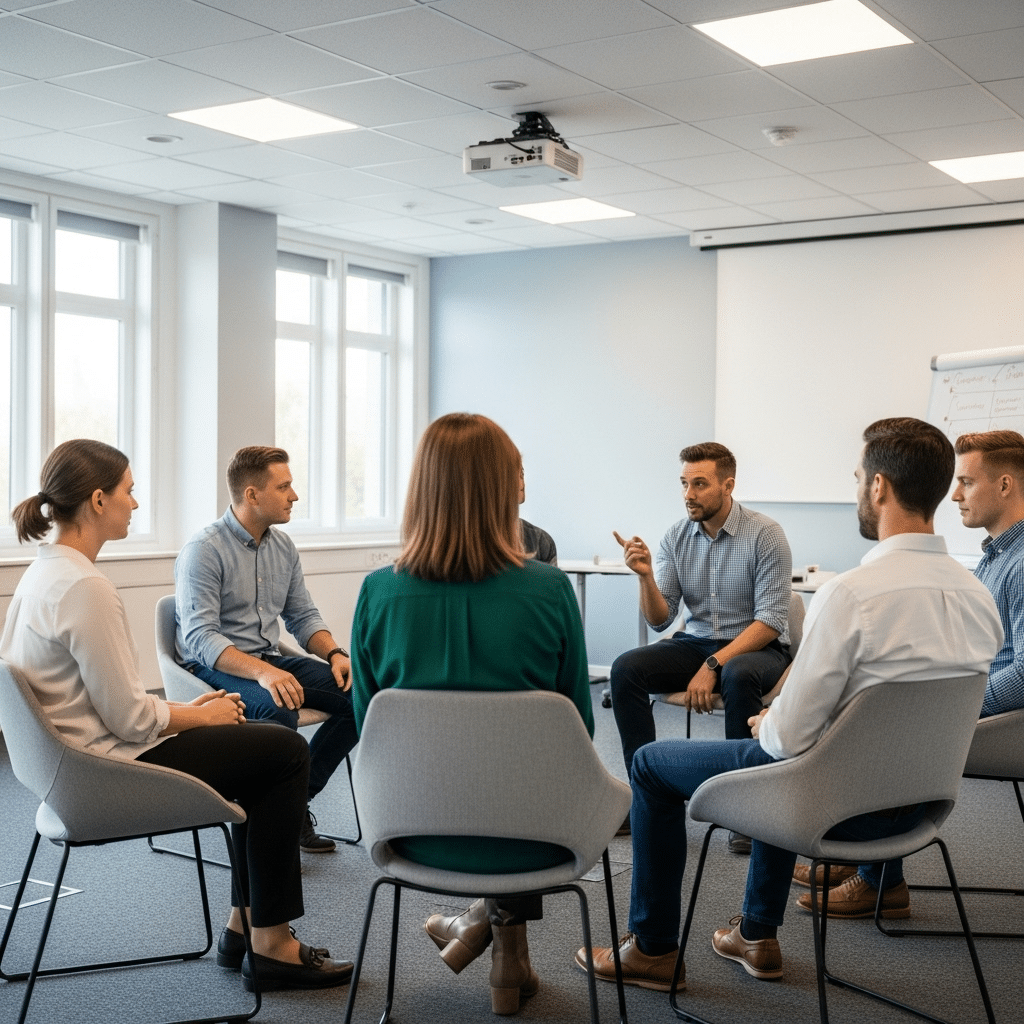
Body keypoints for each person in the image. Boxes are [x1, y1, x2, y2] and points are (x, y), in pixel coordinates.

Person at [580, 418, 1001, 992]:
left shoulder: (850, 596)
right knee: (787, 745)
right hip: (920, 808)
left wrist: (767, 719)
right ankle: (755, 933)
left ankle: (652, 949)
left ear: (878, 487)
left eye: (857, 477)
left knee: (657, 764)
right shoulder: (978, 596)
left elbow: (786, 741)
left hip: (833, 806)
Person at [0, 439, 352, 991]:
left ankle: (245, 927)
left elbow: (116, 707)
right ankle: (273, 944)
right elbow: (132, 720)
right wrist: (201, 717)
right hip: (103, 769)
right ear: (97, 500)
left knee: (263, 750)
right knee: (281, 752)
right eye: (129, 491)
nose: (135, 504)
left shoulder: (41, 576)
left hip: (70, 763)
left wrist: (188, 709)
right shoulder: (85, 587)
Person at [350, 412, 593, 1016]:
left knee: (490, 779)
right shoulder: (550, 591)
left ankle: (490, 938)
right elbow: (579, 733)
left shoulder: (378, 594)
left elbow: (367, 732)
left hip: (411, 831)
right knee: (524, 783)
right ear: (503, 490)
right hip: (538, 838)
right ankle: (507, 956)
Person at [795, 427, 1024, 901]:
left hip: (1005, 724)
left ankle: (878, 877)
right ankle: (866, 857)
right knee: (883, 695)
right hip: (978, 710)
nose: (954, 494)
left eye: (967, 482)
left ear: (1005, 485)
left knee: (882, 715)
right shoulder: (998, 556)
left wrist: (948, 702)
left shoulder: (1021, 563)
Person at [610, 441, 792, 851]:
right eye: (684, 484)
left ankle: (743, 807)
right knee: (625, 669)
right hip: (696, 642)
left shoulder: (765, 535)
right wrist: (644, 578)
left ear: (728, 486)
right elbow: (660, 618)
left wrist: (714, 663)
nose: (688, 494)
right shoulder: (676, 537)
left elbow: (771, 621)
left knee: (738, 672)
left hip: (758, 646)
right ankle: (647, 795)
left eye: (699, 484)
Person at [174, 446, 357, 854]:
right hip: (212, 666)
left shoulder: (283, 547)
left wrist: (335, 654)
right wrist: (261, 672)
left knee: (363, 695)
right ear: (252, 494)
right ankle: (277, 815)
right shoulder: (203, 549)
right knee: (278, 712)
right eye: (285, 486)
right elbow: (202, 638)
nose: (294, 495)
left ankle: (292, 804)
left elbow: (302, 615)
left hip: (266, 659)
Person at [518, 463, 557, 564]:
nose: (522, 484)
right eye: (512, 475)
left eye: (522, 474)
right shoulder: (473, 538)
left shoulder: (541, 541)